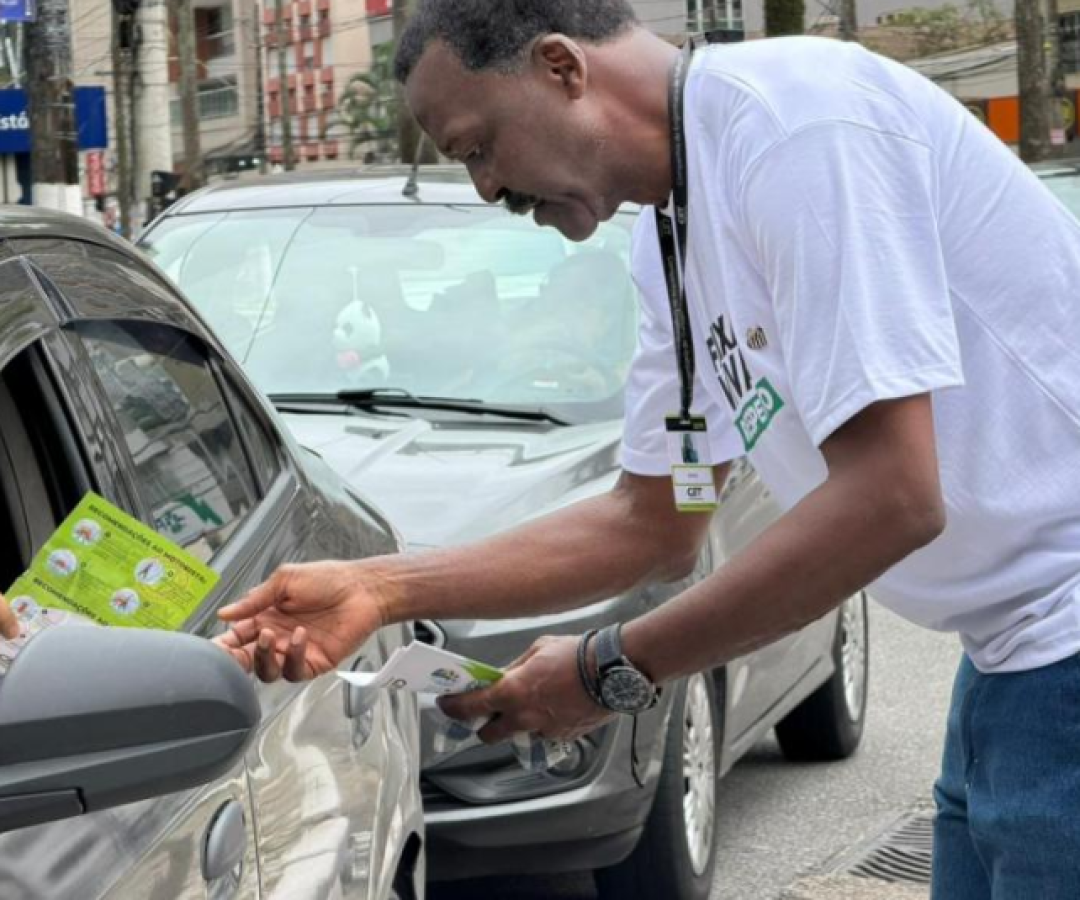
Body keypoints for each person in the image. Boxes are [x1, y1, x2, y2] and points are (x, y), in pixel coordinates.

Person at [211, 2, 1080, 896]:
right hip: (1010, 655)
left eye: (477, 147)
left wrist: (609, 669)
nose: (484, 189)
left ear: (560, 68)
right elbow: (653, 522)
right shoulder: (672, 237)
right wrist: (381, 588)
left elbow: (893, 496)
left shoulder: (798, 130)